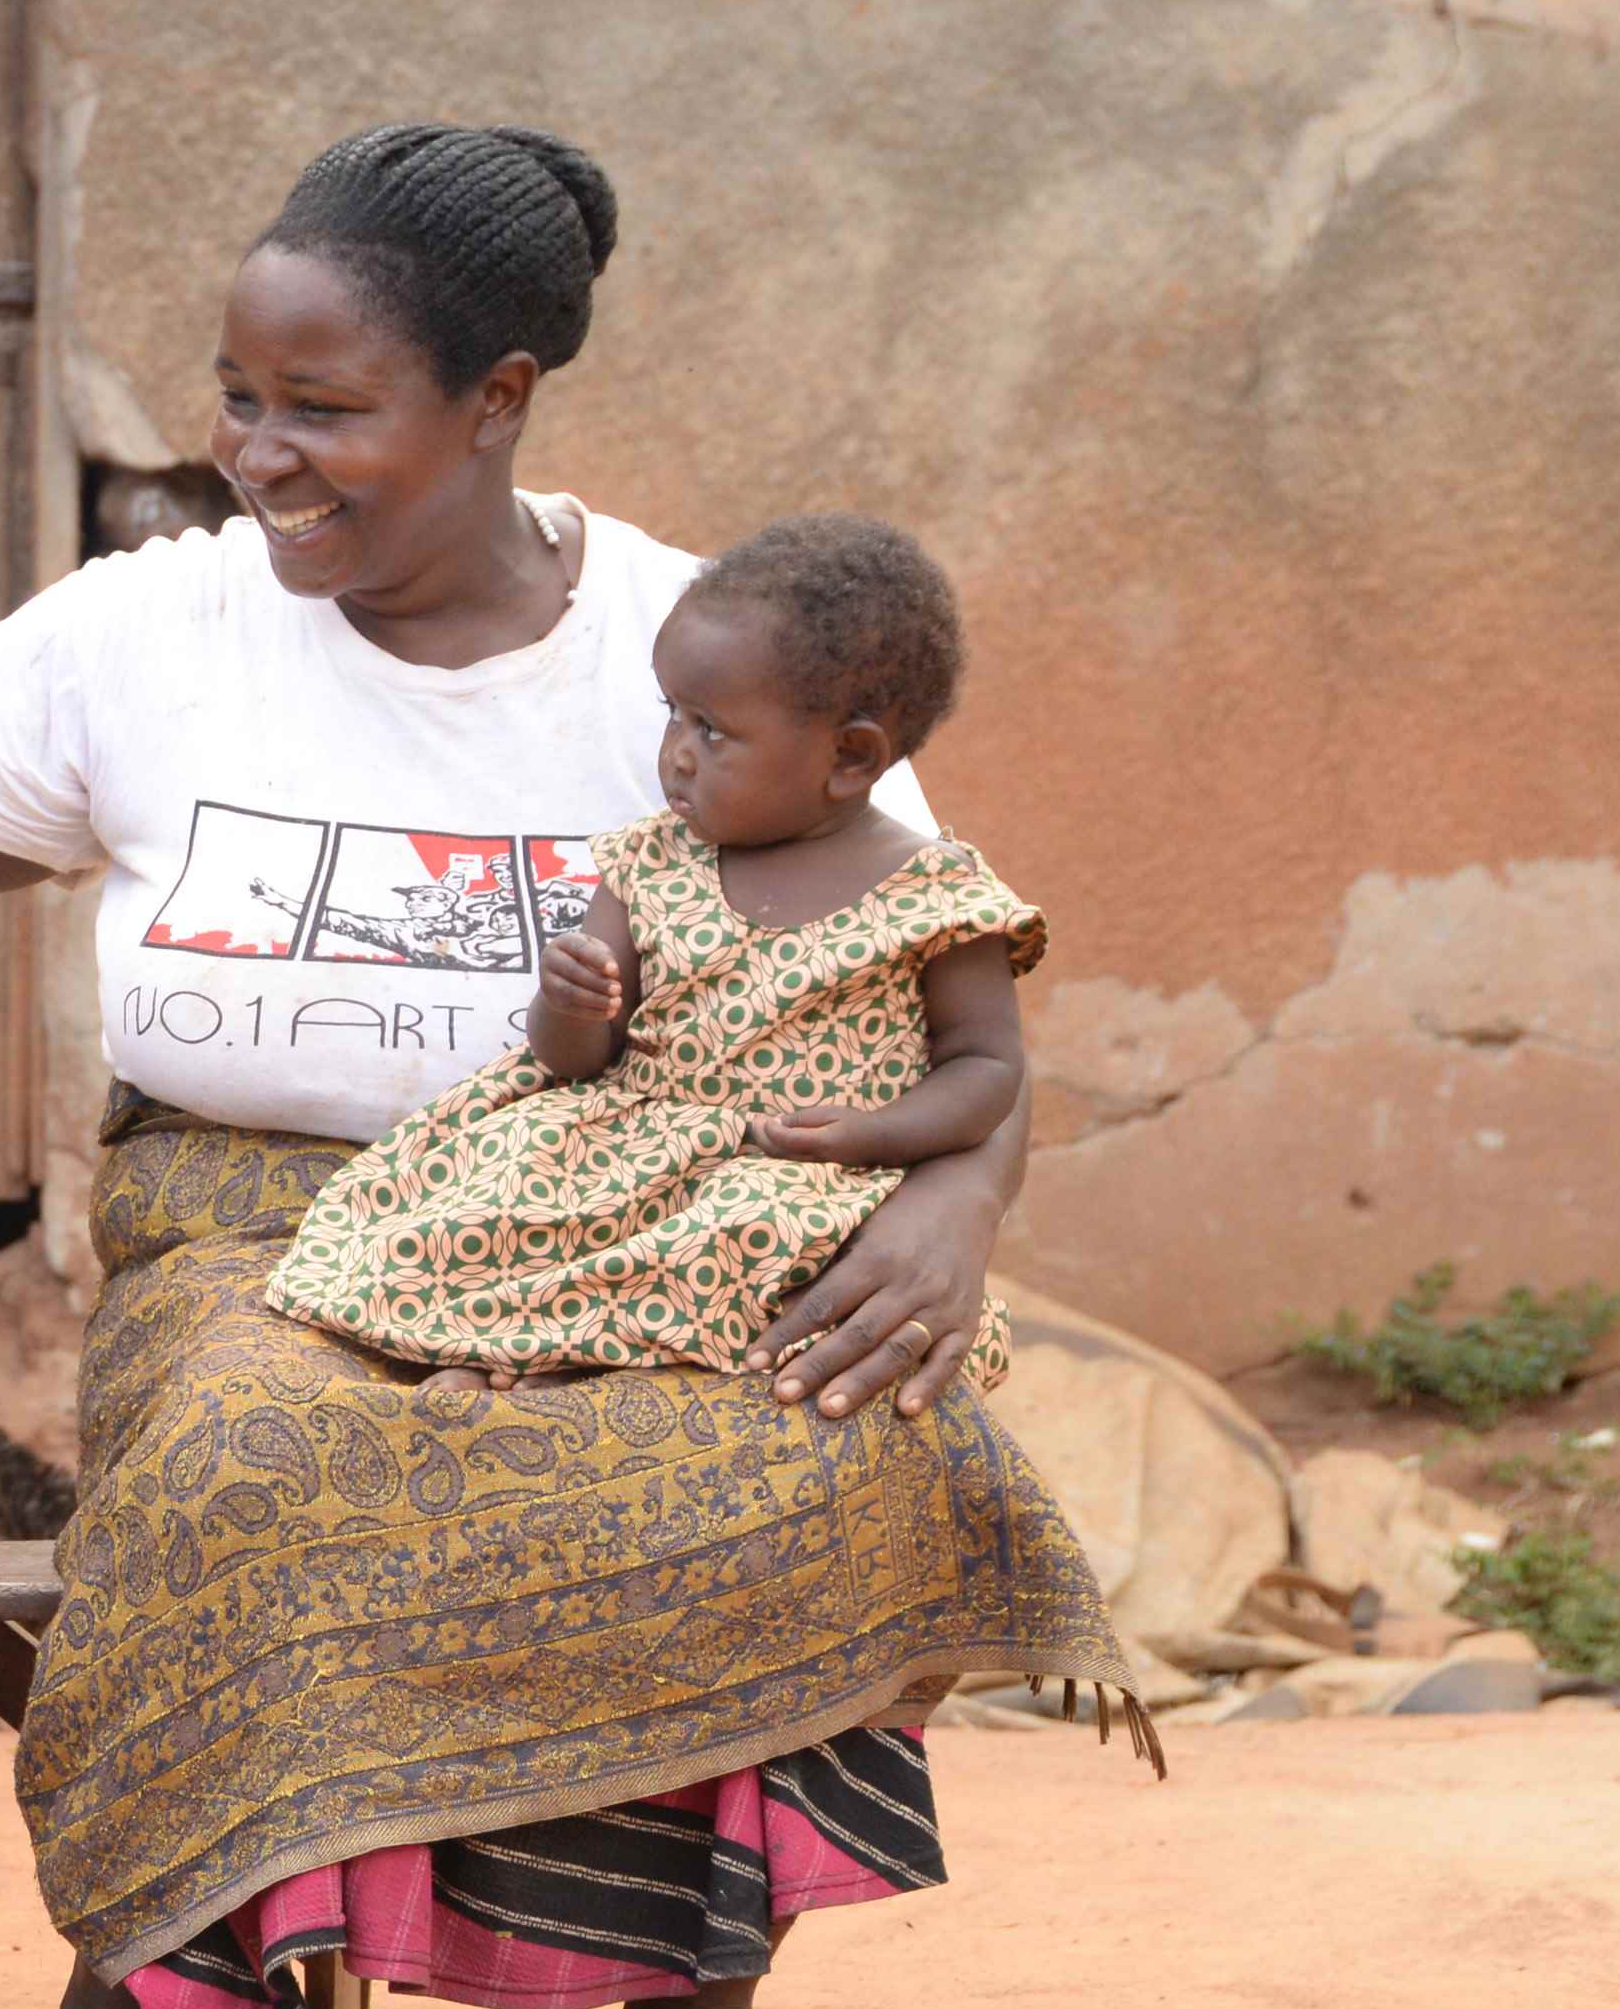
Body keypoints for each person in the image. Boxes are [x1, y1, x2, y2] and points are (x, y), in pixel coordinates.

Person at [0, 125, 1127, 2009]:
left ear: (498, 396)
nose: (256, 452)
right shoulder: (144, 633)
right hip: (253, 1223)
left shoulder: (714, 647)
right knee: (242, 1451)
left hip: (653, 1215)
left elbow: (937, 986)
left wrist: (947, 1211)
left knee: (816, 1442)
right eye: (239, 398)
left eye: (324, 410)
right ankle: (123, 2002)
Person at [268, 511, 1046, 1393]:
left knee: (756, 1229)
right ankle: (515, 1343)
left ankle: (581, 1367)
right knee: (497, 1190)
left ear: (851, 757)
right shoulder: (649, 860)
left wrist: (871, 1135)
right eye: (671, 714)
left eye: (712, 730)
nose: (675, 755)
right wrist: (567, 1005)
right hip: (628, 1149)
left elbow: (986, 1070)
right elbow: (574, 1062)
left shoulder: (936, 899)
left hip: (803, 1174)